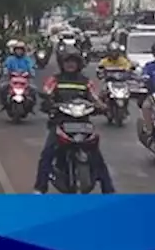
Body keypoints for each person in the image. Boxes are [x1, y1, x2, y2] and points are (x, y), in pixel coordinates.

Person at [33, 50, 115, 194]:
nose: (70, 64)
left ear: (78, 64)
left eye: (73, 62)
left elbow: (95, 97)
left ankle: (108, 190)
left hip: (83, 123)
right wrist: (48, 103)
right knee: (47, 154)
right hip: (61, 122)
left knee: (97, 157)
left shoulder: (85, 81)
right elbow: (47, 92)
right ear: (62, 64)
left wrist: (102, 107)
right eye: (67, 62)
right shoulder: (55, 80)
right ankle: (40, 188)